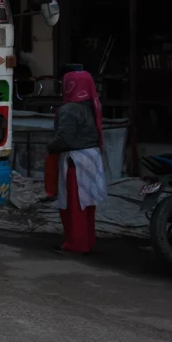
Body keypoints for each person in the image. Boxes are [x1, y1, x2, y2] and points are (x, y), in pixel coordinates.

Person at [48, 70, 108, 254]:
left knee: (74, 206)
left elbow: (64, 138)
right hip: (91, 158)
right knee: (87, 205)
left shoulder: (69, 109)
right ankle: (87, 241)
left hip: (76, 161)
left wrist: (50, 146)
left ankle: (75, 244)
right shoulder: (92, 105)